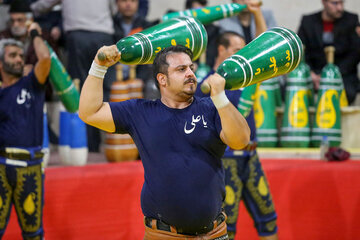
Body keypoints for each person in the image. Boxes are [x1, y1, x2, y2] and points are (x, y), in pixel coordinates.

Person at [79, 44, 250, 239]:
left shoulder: (212, 108)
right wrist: (98, 66)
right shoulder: (140, 111)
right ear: (162, 79)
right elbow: (89, 112)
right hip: (164, 235)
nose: (190, 73)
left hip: (214, 234)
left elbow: (241, 140)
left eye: (190, 68)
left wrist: (220, 98)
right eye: (181, 69)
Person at [216, 2, 279, 240]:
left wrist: (256, 11)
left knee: (269, 218)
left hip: (251, 156)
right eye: (237, 50)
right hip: (226, 160)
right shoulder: (210, 83)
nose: (243, 56)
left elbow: (263, 49)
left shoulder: (246, 78)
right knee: (226, 227)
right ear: (221, 50)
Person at [31, 0, 117, 152]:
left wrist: (31, 9)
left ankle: (89, 145)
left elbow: (43, 6)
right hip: (104, 35)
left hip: (78, 37)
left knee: (84, 90)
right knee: (108, 89)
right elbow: (114, 9)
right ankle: (117, 143)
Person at [0, 22, 50, 239]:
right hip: (1, 167)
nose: (20, 59)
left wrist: (34, 34)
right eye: (13, 55)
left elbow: (45, 59)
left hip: (30, 168)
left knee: (33, 234)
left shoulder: (32, 83)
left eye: (21, 55)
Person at [297, 0, 360, 104]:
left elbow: (354, 55)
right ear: (324, 2)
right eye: (335, 3)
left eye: (342, 3)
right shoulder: (308, 21)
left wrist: (329, 75)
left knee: (348, 92)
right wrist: (310, 73)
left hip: (342, 75)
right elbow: (301, 50)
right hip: (314, 74)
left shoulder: (351, 20)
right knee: (288, 88)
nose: (340, 8)